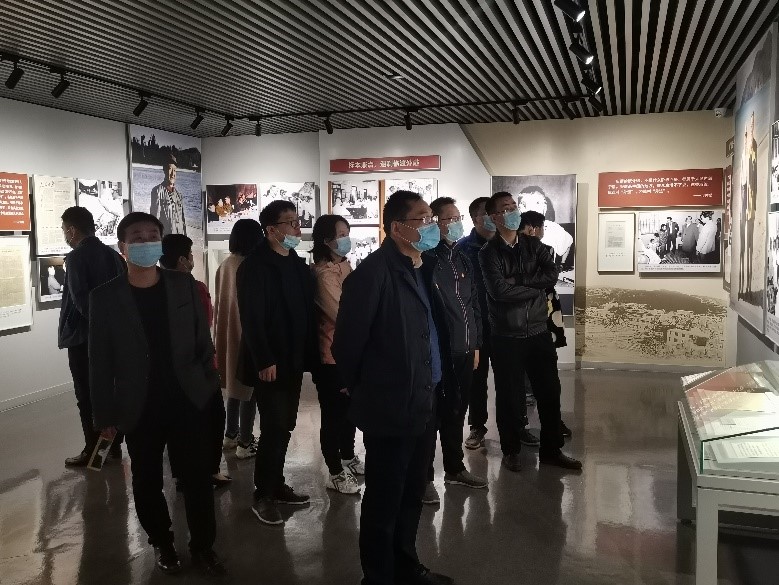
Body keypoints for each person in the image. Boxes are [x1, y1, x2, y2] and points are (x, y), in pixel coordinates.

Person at [89, 212, 224, 575]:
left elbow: (202, 339)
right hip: (139, 405)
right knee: (146, 480)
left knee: (197, 478)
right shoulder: (105, 297)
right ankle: (162, 542)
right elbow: (99, 362)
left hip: (187, 399)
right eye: (137, 237)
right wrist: (104, 416)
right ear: (123, 247)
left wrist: (208, 383)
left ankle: (203, 546)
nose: (146, 242)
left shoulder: (183, 284)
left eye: (152, 235)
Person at [333, 190, 453, 585]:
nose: (431, 225)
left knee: (413, 489)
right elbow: (346, 344)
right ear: (398, 227)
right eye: (422, 219)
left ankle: (406, 565)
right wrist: (365, 388)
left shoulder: (422, 267)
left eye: (431, 217)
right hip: (390, 403)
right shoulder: (372, 274)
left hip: (424, 397)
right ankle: (379, 576)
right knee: (385, 496)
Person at [479, 192, 582, 473]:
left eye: (514, 206)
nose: (513, 211)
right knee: (509, 397)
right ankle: (511, 450)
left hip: (538, 331)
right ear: (494, 217)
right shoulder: (488, 253)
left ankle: (552, 450)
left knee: (549, 392)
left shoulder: (534, 245)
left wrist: (519, 280)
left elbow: (551, 276)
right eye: (506, 208)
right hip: (506, 335)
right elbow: (499, 292)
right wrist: (533, 288)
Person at [236, 200, 318, 525]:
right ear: (271, 230)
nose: (297, 228)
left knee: (285, 425)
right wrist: (264, 358)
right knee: (273, 427)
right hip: (270, 361)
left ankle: (276, 483)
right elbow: (252, 318)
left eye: (298, 221)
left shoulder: (295, 261)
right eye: (290, 222)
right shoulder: (255, 266)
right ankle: (264, 494)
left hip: (293, 358)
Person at [420, 197, 486, 505]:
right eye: (450, 218)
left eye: (458, 217)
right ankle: (423, 478)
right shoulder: (425, 262)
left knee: (457, 411)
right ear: (434, 222)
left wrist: (475, 344)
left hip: (465, 348)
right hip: (437, 353)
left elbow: (473, 305)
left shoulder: (462, 257)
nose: (456, 223)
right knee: (430, 416)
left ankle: (455, 468)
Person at [160, 234, 232, 489]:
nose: (192, 260)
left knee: (179, 425)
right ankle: (209, 471)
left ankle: (182, 474)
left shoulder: (156, 286)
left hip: (170, 370)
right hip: (200, 367)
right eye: (190, 255)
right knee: (212, 420)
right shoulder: (194, 287)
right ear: (182, 259)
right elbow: (205, 323)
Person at [58, 206, 126, 467]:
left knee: (86, 396)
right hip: (111, 337)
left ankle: (92, 450)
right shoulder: (112, 255)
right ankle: (113, 447)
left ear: (72, 230)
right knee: (108, 392)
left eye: (64, 230)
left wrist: (97, 328)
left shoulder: (76, 258)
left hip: (83, 338)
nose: (65, 234)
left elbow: (80, 301)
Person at [311, 214, 363, 495]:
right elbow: (342, 314)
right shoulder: (324, 274)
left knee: (349, 411)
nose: (346, 239)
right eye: (341, 234)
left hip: (349, 352)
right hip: (331, 355)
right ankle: (334, 471)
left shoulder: (344, 266)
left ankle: (347, 456)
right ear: (326, 240)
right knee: (334, 414)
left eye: (347, 233)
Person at [519, 211, 573, 439]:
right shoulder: (538, 251)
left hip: (542, 312)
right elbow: (547, 278)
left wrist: (522, 282)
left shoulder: (544, 250)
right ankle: (537, 424)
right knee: (537, 372)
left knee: (544, 372)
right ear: (533, 228)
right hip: (533, 315)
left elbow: (549, 278)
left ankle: (551, 423)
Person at [215, 219, 263, 459]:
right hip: (246, 334)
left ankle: (230, 434)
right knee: (249, 389)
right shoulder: (252, 266)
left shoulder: (225, 264)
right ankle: (245, 442)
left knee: (233, 387)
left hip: (227, 333)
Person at [455, 197, 495, 451]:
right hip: (476, 325)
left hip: (505, 325)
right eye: (486, 213)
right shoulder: (462, 249)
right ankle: (477, 426)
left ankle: (518, 426)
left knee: (510, 380)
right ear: (475, 218)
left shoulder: (505, 245)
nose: (492, 218)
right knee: (476, 379)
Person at [517, 186, 573, 265]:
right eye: (537, 203)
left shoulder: (553, 228)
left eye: (544, 203)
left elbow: (568, 242)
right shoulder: (514, 232)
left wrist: (562, 264)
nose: (543, 206)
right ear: (522, 208)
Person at [150, 155, 187, 236]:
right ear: (164, 170)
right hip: (166, 240)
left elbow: (183, 221)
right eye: (170, 169)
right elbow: (154, 222)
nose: (173, 174)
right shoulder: (157, 191)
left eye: (175, 170)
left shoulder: (179, 195)